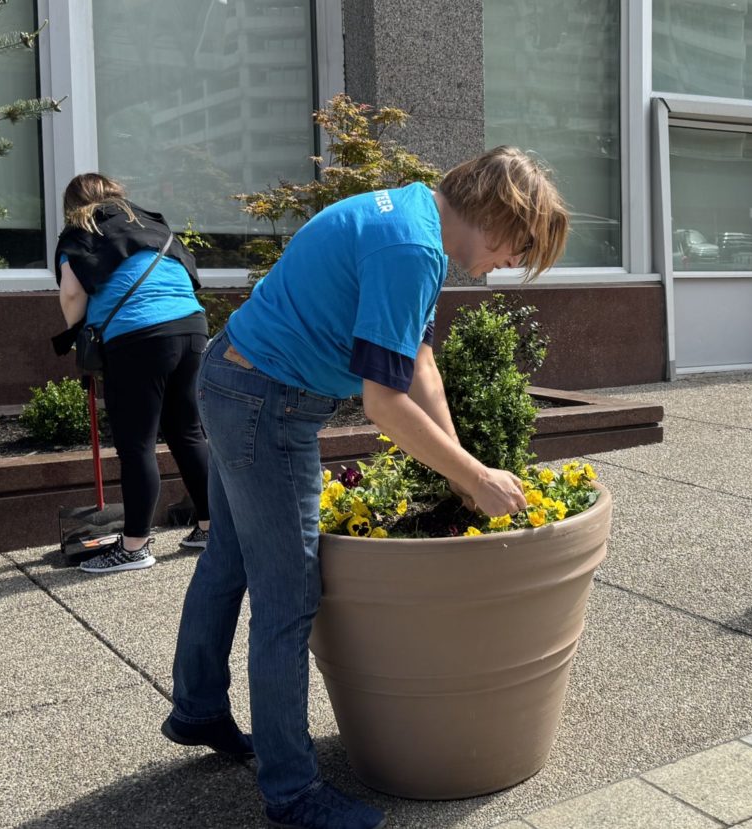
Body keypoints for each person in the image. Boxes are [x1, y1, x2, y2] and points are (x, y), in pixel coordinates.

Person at [163, 147, 569, 829]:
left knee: (229, 557)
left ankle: (198, 709)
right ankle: (292, 793)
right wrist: (475, 476)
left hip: (238, 378)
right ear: (500, 217)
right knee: (288, 596)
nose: (509, 265)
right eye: (519, 249)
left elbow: (420, 363)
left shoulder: (416, 218)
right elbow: (384, 404)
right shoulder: (411, 249)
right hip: (266, 402)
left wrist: (461, 471)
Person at [55, 173, 212, 574]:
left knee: (137, 444)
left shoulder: (81, 229)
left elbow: (72, 294)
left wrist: (79, 334)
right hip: (192, 327)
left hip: (138, 337)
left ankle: (134, 547)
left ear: (73, 204)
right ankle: (213, 528)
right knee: (188, 432)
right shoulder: (152, 222)